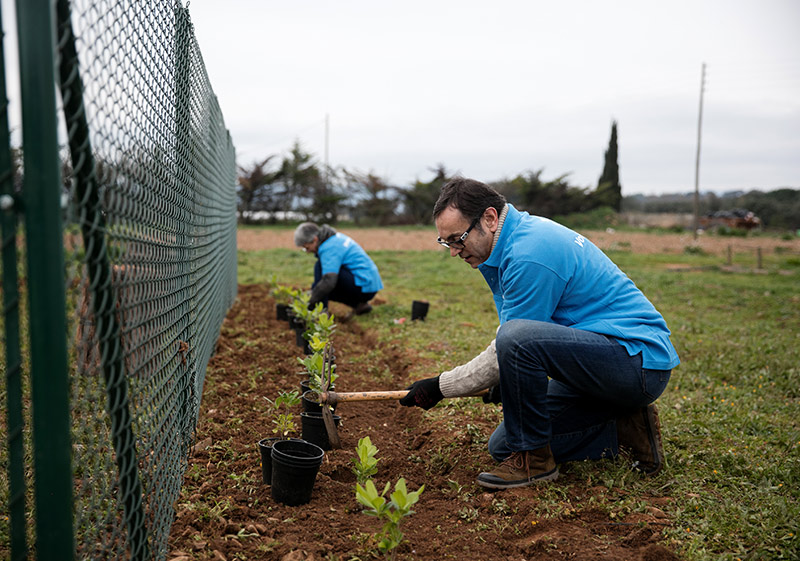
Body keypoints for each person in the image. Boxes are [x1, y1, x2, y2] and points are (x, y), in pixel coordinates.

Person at [399, 177, 679, 489]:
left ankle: (535, 462)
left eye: (457, 239)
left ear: (489, 219)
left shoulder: (528, 253)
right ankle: (627, 428)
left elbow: (515, 341)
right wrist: (512, 381)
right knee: (504, 446)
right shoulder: (512, 242)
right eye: (446, 242)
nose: (454, 251)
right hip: (600, 362)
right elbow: (532, 342)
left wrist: (441, 386)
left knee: (516, 344)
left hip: (634, 363)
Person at [294, 222, 383, 317]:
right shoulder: (335, 238)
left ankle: (321, 314)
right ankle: (359, 305)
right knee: (321, 286)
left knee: (322, 275)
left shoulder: (328, 247)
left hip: (363, 285)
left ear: (315, 239)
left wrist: (310, 302)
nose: (307, 252)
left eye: (307, 248)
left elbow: (328, 282)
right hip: (369, 284)